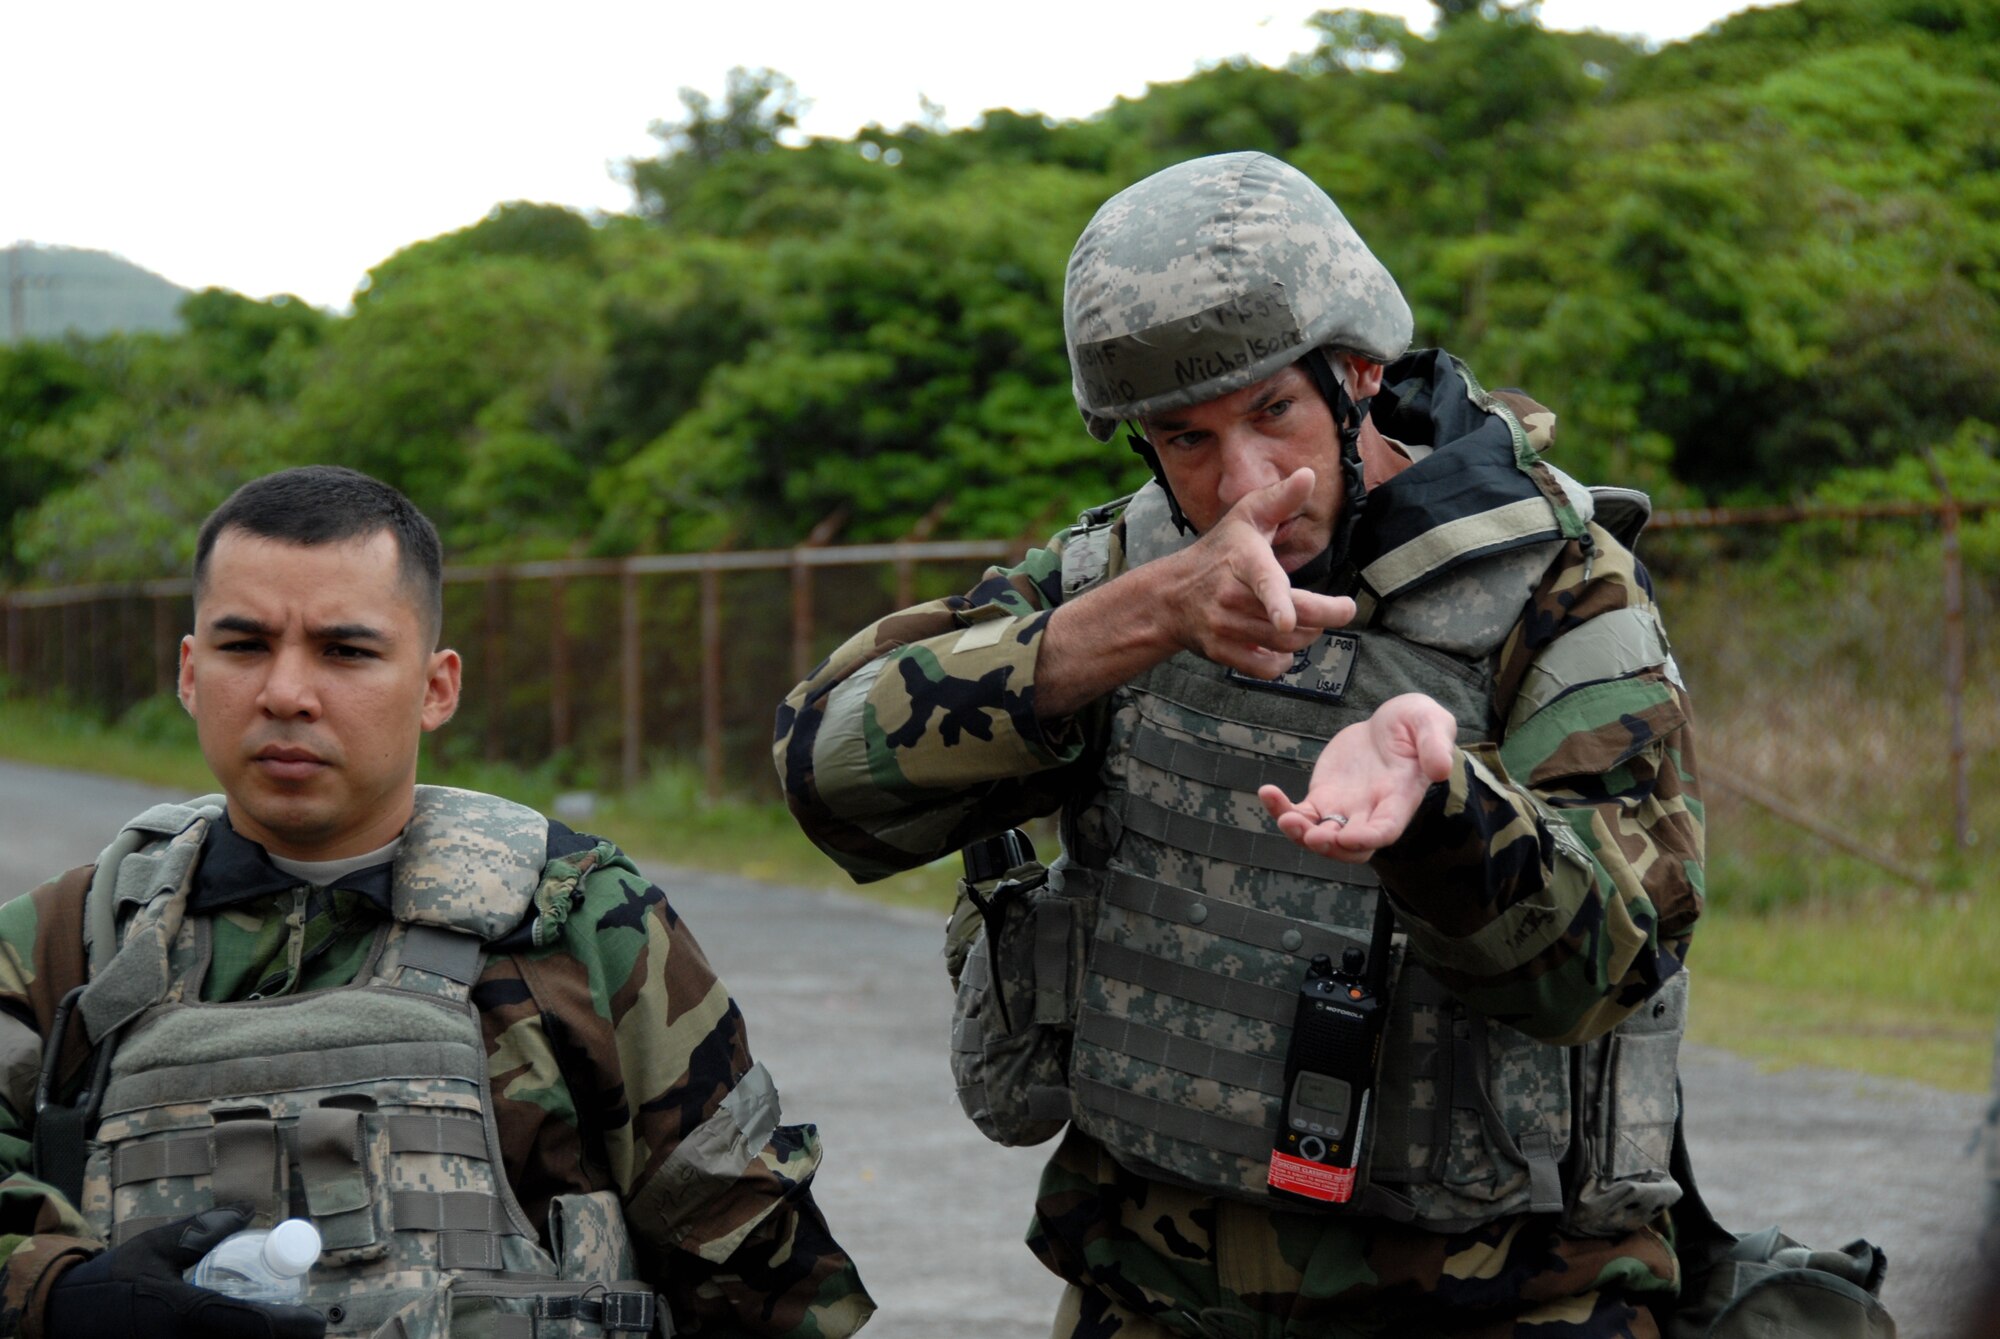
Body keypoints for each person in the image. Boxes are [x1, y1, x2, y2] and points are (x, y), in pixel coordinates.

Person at [776, 152, 1703, 1338]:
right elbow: (824, 775)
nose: (1242, 485)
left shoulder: (1555, 588)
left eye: (1274, 413)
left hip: (1493, 1299)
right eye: (1184, 439)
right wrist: (1129, 625)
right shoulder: (1119, 573)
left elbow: (1608, 966)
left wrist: (1441, 810)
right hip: (1153, 1289)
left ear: (1358, 375)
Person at [0, 466, 874, 1338]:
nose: (286, 693)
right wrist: (55, 1295)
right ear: (190, 673)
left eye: (347, 650)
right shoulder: (69, 940)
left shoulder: (577, 923)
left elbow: (761, 1272)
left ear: (435, 686)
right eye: (244, 646)